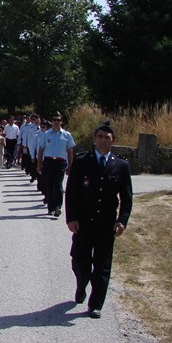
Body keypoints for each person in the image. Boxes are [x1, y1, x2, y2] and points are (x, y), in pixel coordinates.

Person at [65, 121, 133, 319]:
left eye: (107, 137)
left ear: (113, 141)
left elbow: (127, 198)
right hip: (83, 223)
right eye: (100, 136)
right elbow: (71, 193)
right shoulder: (82, 161)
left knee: (102, 266)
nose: (103, 140)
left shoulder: (120, 165)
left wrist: (122, 221)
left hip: (106, 225)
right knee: (80, 261)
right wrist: (72, 218)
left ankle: (95, 304)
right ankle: (81, 283)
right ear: (95, 139)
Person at [36, 112, 75, 217]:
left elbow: (70, 151)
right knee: (49, 185)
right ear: (51, 122)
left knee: (58, 185)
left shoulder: (67, 135)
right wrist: (39, 163)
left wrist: (70, 166)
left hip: (60, 162)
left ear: (61, 122)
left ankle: (58, 207)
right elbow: (41, 150)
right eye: (54, 120)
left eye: (58, 120)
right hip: (48, 161)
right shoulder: (46, 134)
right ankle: (51, 208)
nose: (56, 122)